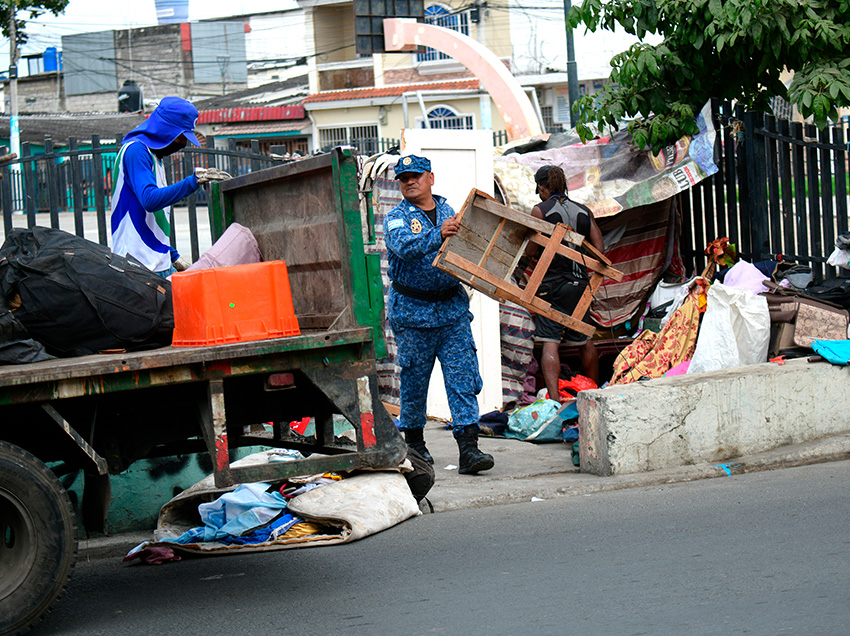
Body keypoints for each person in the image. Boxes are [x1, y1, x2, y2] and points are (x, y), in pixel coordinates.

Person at [384, 154, 494, 475]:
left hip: (452, 311)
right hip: (413, 314)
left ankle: (469, 449)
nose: (409, 182)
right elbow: (403, 247)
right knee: (415, 381)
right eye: (403, 178)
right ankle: (416, 445)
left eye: (415, 176)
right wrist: (439, 235)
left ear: (431, 177)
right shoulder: (396, 218)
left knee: (462, 378)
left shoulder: (450, 212)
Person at [110, 97, 222, 277]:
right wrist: (192, 182)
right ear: (165, 129)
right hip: (136, 267)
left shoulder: (155, 158)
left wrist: (172, 255)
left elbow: (152, 220)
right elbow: (150, 200)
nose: (182, 144)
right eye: (180, 137)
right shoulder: (136, 151)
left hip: (156, 263)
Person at [529, 165, 604, 402]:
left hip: (551, 285)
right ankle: (592, 393)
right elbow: (599, 250)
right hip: (580, 285)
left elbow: (531, 248)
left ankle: (553, 401)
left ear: (543, 187)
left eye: (538, 189)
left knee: (550, 341)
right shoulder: (583, 211)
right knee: (584, 338)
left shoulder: (540, 210)